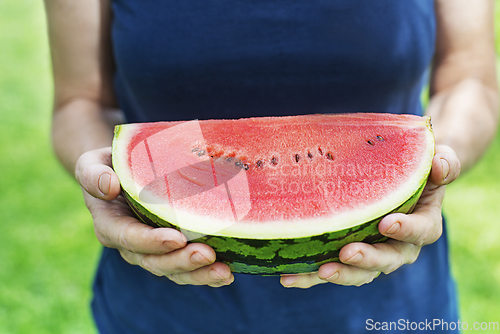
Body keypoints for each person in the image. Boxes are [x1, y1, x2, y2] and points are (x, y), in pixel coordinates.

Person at [44, 0, 498, 332]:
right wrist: (108, 182)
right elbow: (80, 102)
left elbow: (470, 79)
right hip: (164, 304)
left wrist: (435, 163)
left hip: (392, 302)